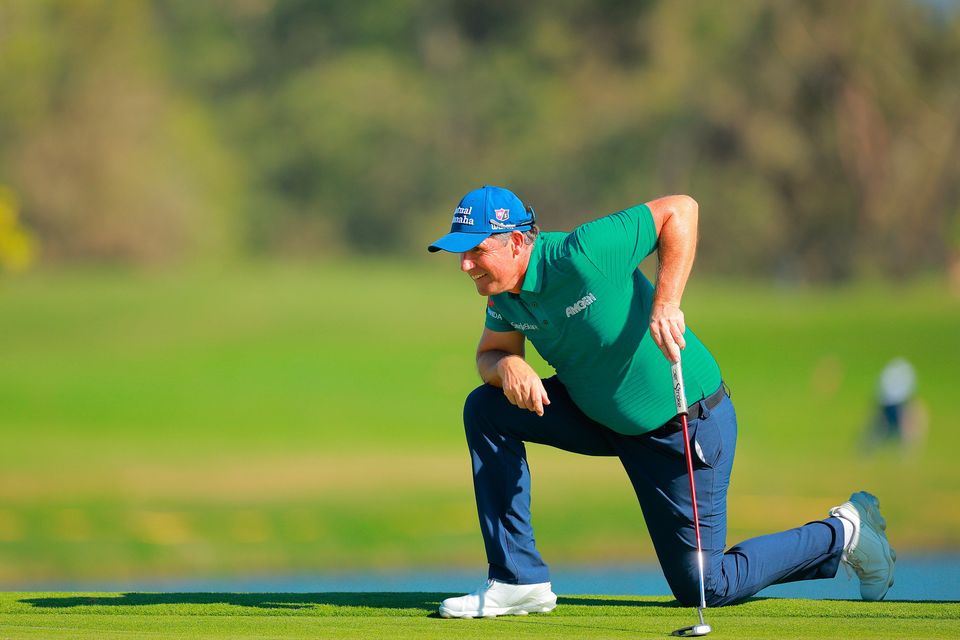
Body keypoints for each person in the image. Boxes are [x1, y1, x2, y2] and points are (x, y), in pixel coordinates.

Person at [427, 185, 896, 619]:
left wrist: (666, 302)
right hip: (600, 417)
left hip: (684, 425)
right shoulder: (504, 295)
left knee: (703, 587)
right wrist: (507, 366)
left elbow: (681, 210)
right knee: (486, 408)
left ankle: (847, 532)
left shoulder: (583, 251)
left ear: (514, 241)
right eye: (461, 253)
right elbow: (490, 354)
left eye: (476, 251)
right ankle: (517, 579)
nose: (465, 265)